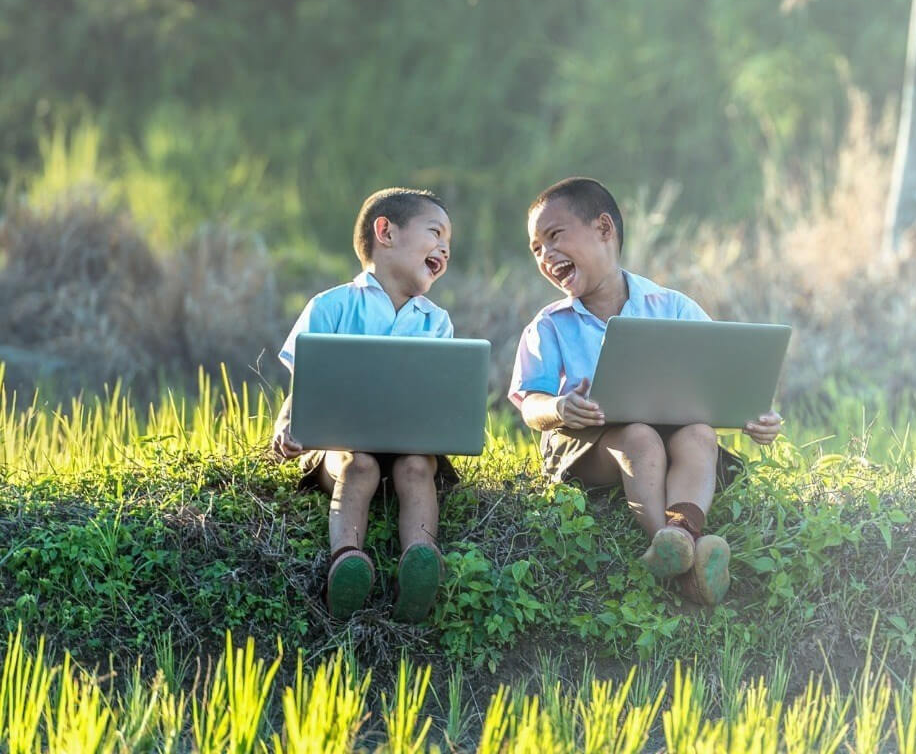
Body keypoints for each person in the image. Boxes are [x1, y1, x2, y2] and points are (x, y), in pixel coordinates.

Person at [509, 176, 782, 606]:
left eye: (555, 236)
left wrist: (754, 415)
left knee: (700, 435)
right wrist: (561, 407)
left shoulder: (671, 306)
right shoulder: (549, 325)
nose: (546, 255)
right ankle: (671, 542)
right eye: (536, 248)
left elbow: (723, 373)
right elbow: (530, 403)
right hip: (589, 448)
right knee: (639, 436)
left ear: (604, 229)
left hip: (670, 438)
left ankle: (679, 538)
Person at [269, 187, 457, 622]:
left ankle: (421, 560)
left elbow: (439, 396)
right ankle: (347, 561)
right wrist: (287, 425)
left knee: (416, 465)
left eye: (449, 241)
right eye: (435, 232)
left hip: (410, 444)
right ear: (385, 232)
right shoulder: (332, 306)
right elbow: (304, 386)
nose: (445, 248)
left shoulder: (436, 321)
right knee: (361, 464)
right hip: (343, 445)